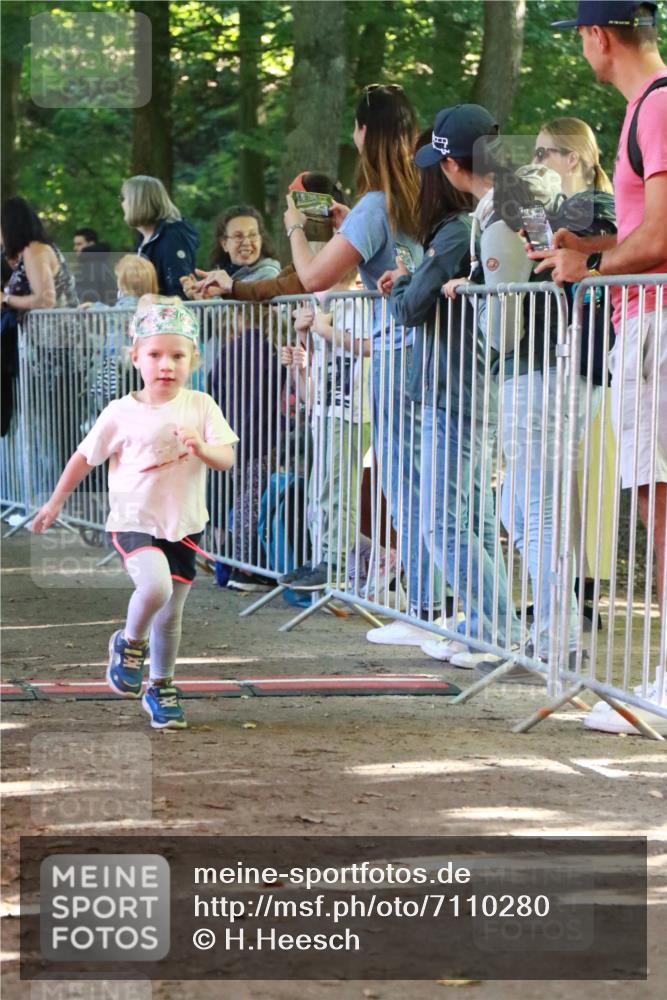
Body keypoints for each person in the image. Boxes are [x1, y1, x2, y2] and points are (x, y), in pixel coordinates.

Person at [535, 0, 667, 733]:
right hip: (645, 322)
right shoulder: (647, 107)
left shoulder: (657, 105)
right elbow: (644, 231)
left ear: (596, 35)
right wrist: (588, 249)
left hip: (654, 324)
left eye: (580, 37)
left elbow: (661, 238)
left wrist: (588, 267)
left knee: (659, 504)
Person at [31, 297, 238, 730]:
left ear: (194, 359)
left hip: (184, 524)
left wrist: (202, 447)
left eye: (178, 356)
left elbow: (226, 458)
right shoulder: (120, 412)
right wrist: (54, 502)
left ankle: (161, 686)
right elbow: (84, 457)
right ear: (136, 357)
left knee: (171, 613)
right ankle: (128, 643)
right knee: (155, 586)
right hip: (133, 521)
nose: (166, 365)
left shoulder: (201, 405)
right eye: (156, 355)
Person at [282, 84, 439, 640]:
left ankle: (424, 610)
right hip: (436, 350)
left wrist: (296, 227)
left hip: (396, 353)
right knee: (430, 479)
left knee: (402, 480)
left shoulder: (376, 205)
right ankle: (433, 604)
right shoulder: (420, 193)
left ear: (363, 132)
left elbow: (314, 277)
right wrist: (351, 224)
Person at [437, 104, 578, 680]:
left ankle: (557, 639)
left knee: (534, 512)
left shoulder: (501, 210)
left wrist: (474, 296)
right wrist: (476, 281)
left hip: (531, 372)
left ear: (453, 166)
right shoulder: (528, 195)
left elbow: (503, 323)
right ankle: (553, 633)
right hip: (547, 368)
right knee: (520, 509)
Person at [377, 128, 523, 665]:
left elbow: (409, 307)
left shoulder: (460, 229)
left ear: (451, 169)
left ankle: (496, 629)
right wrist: (412, 279)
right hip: (462, 386)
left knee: (444, 521)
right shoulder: (476, 221)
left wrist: (405, 281)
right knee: (470, 518)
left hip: (457, 387)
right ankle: (492, 625)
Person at [535, 116, 618, 630]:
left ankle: (574, 593)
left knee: (568, 475)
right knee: (562, 476)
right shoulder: (572, 207)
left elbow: (608, 249)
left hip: (589, 350)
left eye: (544, 152)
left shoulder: (592, 205)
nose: (536, 162)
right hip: (579, 349)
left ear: (573, 158)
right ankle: (571, 589)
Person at [280, 268, 371, 591]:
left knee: (338, 490)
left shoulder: (359, 303)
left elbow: (370, 346)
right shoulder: (320, 308)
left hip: (351, 412)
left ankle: (335, 561)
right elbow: (313, 382)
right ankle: (322, 556)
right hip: (324, 410)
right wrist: (301, 346)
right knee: (318, 493)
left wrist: (324, 330)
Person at [83, 255, 159, 412]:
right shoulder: (147, 303)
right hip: (128, 360)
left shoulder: (130, 303)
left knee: (113, 398)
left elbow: (117, 315)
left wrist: (95, 307)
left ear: (124, 283)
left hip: (120, 360)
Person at [120, 175, 198, 298]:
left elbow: (178, 290)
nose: (122, 203)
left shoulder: (171, 238)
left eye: (124, 198)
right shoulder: (143, 241)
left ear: (137, 202)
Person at [0, 197, 77, 311]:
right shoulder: (31, 250)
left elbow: (45, 300)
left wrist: (5, 299)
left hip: (56, 322)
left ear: (8, 226)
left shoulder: (35, 250)